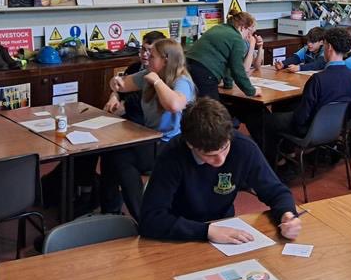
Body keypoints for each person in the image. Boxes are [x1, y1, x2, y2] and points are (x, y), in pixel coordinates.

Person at [139, 97, 301, 243]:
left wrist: (286, 214)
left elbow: (276, 191)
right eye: (210, 155)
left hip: (224, 225)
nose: (220, 160)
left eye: (224, 149)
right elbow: (151, 219)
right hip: (181, 232)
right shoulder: (172, 155)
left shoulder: (243, 147)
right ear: (190, 144)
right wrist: (206, 231)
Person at [101, 38, 196, 221]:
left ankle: (143, 215)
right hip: (151, 138)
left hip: (172, 144)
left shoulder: (181, 81)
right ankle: (111, 210)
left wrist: (158, 83)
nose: (147, 58)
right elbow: (122, 84)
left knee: (122, 159)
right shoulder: (148, 74)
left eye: (152, 56)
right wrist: (115, 85)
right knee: (111, 152)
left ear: (166, 60)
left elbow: (175, 105)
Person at [263, 26, 351, 163]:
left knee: (269, 120)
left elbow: (301, 118)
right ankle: (287, 153)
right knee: (289, 107)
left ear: (329, 47)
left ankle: (277, 162)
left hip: (311, 130)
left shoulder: (318, 80)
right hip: (336, 128)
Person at [185, 11, 261, 100]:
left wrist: (228, 84)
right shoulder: (237, 39)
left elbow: (229, 63)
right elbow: (237, 70)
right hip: (205, 71)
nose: (249, 36)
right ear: (242, 27)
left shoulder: (218, 28)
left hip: (187, 66)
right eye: (249, 32)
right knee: (211, 109)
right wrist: (252, 91)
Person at [104, 30, 166, 125]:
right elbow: (120, 89)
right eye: (143, 49)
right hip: (123, 116)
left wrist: (125, 107)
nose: (145, 54)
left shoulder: (161, 76)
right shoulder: (134, 67)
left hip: (141, 121)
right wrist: (114, 97)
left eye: (150, 51)